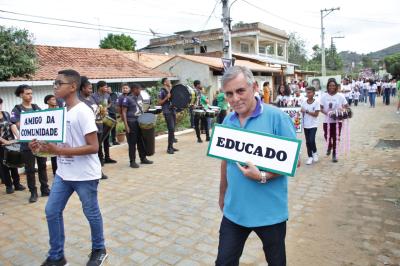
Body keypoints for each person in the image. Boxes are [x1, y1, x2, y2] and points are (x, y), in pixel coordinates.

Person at [216, 66, 296, 266]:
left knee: (276, 262)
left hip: (270, 213)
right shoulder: (228, 120)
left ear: (254, 87)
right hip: (235, 210)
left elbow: (294, 160)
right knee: (224, 262)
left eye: (240, 91)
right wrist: (222, 192)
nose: (235, 98)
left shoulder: (277, 117)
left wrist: (262, 176)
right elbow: (225, 160)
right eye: (229, 94)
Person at [31, 69, 107, 266]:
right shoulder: (60, 113)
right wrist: (39, 148)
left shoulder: (83, 111)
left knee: (91, 212)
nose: (55, 87)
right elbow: (56, 147)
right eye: (54, 83)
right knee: (51, 211)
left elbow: (94, 147)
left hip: (85, 175)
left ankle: (99, 249)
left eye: (59, 83)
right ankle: (57, 256)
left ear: (73, 86)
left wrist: (59, 150)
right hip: (64, 173)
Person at [11, 84, 50, 203]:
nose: (30, 96)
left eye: (31, 93)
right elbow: (19, 125)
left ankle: (45, 189)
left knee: (42, 166)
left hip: (39, 143)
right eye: (27, 93)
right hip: (27, 145)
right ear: (21, 95)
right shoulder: (16, 109)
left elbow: (43, 121)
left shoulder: (36, 107)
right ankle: (33, 192)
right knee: (30, 170)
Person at [78, 77, 108, 180]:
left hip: (98, 127)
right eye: (89, 88)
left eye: (91, 88)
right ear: (82, 89)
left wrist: (103, 111)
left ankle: (98, 171)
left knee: (98, 150)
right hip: (88, 130)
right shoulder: (79, 100)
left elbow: (100, 108)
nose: (91, 91)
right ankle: (94, 172)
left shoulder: (92, 98)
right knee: (91, 152)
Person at [121, 83, 153, 168]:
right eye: (139, 89)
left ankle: (143, 158)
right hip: (131, 122)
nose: (140, 91)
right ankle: (132, 161)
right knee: (132, 143)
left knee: (140, 141)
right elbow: (123, 112)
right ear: (134, 89)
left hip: (139, 122)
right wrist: (126, 125)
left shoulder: (139, 97)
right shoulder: (127, 99)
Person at [0, 97, 26, 194]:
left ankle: (17, 184)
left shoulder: (6, 114)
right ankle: (8, 186)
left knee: (13, 164)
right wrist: (4, 141)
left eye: (0, 103)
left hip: (11, 143)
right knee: (4, 166)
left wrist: (19, 136)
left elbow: (12, 125)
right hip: (1, 146)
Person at [320, 78, 349, 163]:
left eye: (333, 85)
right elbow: (321, 108)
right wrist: (328, 114)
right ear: (327, 87)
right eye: (330, 85)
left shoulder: (340, 96)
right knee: (327, 136)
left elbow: (347, 106)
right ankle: (329, 146)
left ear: (336, 86)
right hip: (327, 121)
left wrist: (342, 111)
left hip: (337, 121)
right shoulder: (324, 96)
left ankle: (334, 154)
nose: (331, 87)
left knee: (336, 137)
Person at [92, 81, 117, 165]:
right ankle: (100, 158)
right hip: (98, 120)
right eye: (105, 87)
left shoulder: (107, 95)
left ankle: (107, 157)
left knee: (106, 138)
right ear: (100, 87)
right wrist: (100, 108)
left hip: (106, 119)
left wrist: (106, 107)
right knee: (100, 139)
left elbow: (110, 103)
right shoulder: (93, 96)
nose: (107, 88)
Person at [300, 87, 320, 165]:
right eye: (307, 92)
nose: (308, 94)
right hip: (306, 125)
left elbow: (316, 114)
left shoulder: (316, 102)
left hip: (313, 125)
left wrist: (306, 111)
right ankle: (310, 157)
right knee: (308, 142)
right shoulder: (304, 103)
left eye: (310, 92)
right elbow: (301, 112)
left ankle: (315, 153)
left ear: (313, 93)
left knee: (312, 140)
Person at [158, 78, 178, 154]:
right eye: (168, 81)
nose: (169, 81)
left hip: (173, 110)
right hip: (167, 111)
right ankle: (169, 148)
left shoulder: (170, 90)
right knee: (171, 129)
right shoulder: (162, 91)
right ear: (164, 83)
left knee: (173, 129)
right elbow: (159, 102)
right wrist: (167, 97)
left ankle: (171, 146)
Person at [44, 94, 59, 176]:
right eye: (52, 99)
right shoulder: (45, 112)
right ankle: (55, 173)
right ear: (48, 101)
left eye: (55, 99)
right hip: (52, 136)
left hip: (60, 135)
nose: (55, 101)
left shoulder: (60, 110)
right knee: (53, 156)